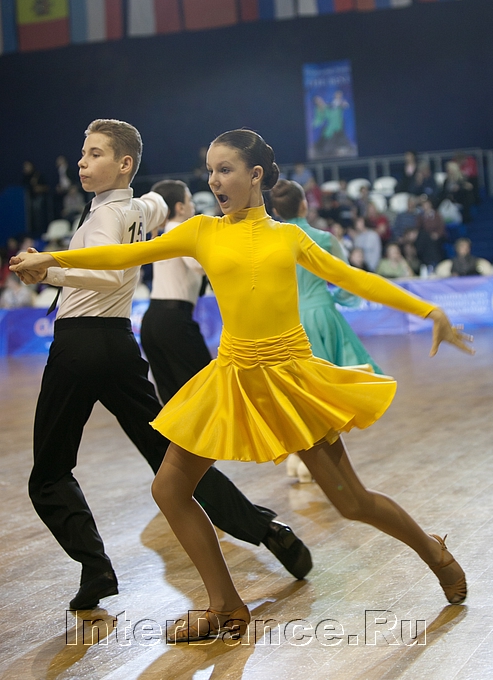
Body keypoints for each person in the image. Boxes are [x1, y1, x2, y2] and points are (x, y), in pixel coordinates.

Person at [12, 129, 472, 644]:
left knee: (352, 502)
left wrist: (429, 310)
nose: (214, 180)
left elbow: (354, 279)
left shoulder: (288, 237)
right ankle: (226, 604)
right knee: (169, 488)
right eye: (210, 171)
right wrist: (52, 260)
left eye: (225, 170)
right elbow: (121, 256)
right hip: (232, 379)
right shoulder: (202, 231)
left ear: (255, 176)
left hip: (289, 380)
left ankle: (433, 552)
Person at [10, 121, 311, 613]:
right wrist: (160, 200)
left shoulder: (105, 218)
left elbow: (110, 275)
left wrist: (50, 270)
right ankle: (266, 529)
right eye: (83, 153)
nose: (82, 162)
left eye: (95, 154)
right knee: (171, 460)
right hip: (120, 347)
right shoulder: (138, 208)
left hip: (80, 346)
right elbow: (157, 202)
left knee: (48, 474)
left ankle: (95, 566)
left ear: (124, 163)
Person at [270, 179, 382, 373]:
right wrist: (335, 297)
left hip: (290, 323)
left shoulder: (270, 245)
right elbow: (348, 279)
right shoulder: (326, 239)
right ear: (304, 205)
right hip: (324, 314)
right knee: (351, 373)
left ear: (276, 211)